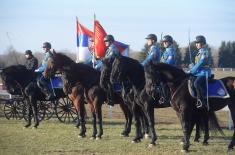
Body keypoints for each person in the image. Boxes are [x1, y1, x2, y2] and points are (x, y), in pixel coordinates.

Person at [95, 34, 121, 106]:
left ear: (111, 41)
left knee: (105, 82)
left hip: (113, 69)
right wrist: (97, 64)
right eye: (105, 41)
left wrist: (99, 58)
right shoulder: (109, 49)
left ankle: (111, 98)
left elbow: (108, 59)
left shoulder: (113, 49)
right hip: (108, 68)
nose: (105, 42)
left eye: (107, 41)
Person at [187, 35, 211, 109]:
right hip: (198, 73)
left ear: (203, 43)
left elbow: (200, 63)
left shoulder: (205, 52)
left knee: (196, 83)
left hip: (204, 73)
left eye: (198, 43)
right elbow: (197, 64)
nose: (196, 44)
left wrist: (192, 70)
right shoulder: (199, 52)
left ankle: (201, 101)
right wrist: (191, 66)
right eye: (196, 43)